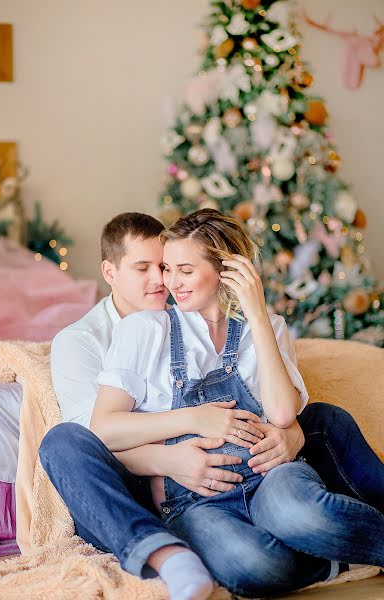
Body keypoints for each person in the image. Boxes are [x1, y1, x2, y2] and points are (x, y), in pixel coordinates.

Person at [40, 211, 384, 599]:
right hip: (182, 493)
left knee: (306, 491)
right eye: (159, 269)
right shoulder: (134, 330)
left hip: (266, 473)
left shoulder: (262, 327)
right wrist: (190, 429)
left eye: (176, 269)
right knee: (255, 565)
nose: (165, 281)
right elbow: (98, 435)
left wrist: (256, 314)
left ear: (227, 271)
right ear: (111, 271)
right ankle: (181, 554)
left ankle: (326, 539)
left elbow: (285, 412)